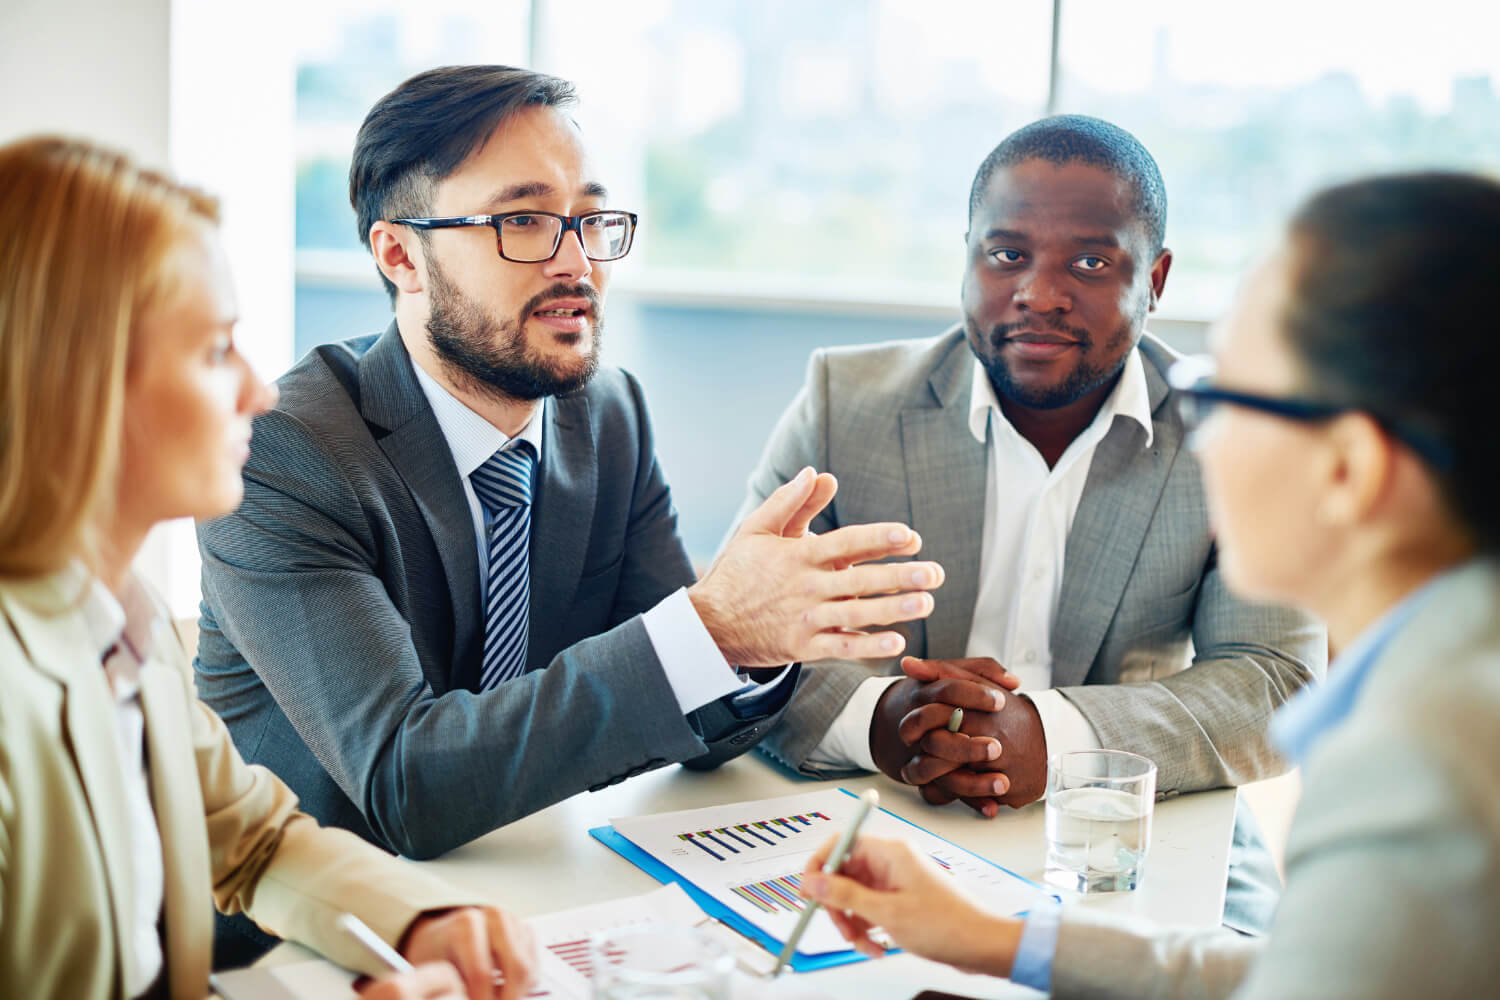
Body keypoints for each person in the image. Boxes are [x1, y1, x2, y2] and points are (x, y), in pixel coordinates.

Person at [194, 65, 940, 864]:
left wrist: (750, 642)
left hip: (537, 882)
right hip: (301, 937)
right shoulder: (283, 452)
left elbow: (685, 710)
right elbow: (405, 783)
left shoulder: (607, 415)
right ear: (401, 257)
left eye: (589, 221)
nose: (576, 263)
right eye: (522, 221)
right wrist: (709, 625)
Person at [798, 171, 1500, 997]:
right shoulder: (1442, 689)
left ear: (1349, 468)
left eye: (1223, 393)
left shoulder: (1423, 764)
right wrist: (985, 939)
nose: (1196, 440)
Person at [742, 115, 1324, 930]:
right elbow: (745, 642)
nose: (1039, 293)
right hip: (877, 816)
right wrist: (882, 722)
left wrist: (1048, 738)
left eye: (1090, 261)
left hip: (1143, 838)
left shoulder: (1239, 437)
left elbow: (1275, 680)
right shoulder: (845, 403)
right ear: (969, 257)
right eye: (1007, 254)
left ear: (1154, 280)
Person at [0, 137, 538, 1000]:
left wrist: (423, 919)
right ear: (79, 378)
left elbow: (252, 842)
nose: (262, 389)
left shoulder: (111, 616)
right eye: (216, 351)